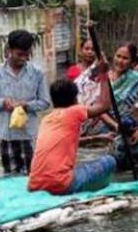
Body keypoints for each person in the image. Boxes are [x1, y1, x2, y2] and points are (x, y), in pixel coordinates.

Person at [28, 57, 117, 195]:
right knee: (109, 161)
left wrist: (97, 138)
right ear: (75, 99)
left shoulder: (47, 119)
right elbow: (104, 105)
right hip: (60, 184)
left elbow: (62, 142)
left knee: (78, 168)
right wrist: (104, 75)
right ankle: (102, 190)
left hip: (34, 184)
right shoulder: (74, 111)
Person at [0, 29, 51, 174]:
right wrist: (3, 103)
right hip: (7, 135)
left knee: (33, 175)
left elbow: (45, 102)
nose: (23, 58)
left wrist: (26, 105)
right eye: (19, 54)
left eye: (27, 55)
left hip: (30, 134)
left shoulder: (37, 73)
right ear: (9, 50)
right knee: (10, 177)